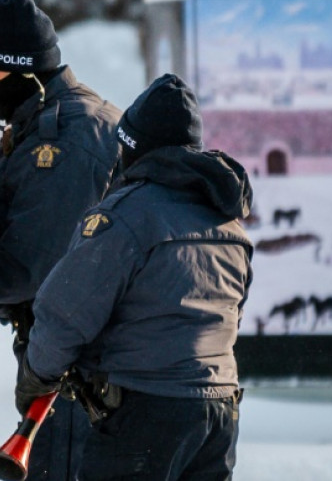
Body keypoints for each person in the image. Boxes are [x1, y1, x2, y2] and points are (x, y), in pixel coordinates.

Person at [15, 73, 253, 481]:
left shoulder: (126, 217)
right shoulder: (230, 225)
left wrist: (37, 377)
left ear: (131, 148)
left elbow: (64, 314)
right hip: (218, 413)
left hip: (146, 416)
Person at [0, 0, 122, 480]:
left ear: (24, 71)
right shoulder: (43, 121)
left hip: (80, 366)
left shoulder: (66, 138)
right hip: (66, 357)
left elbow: (36, 265)